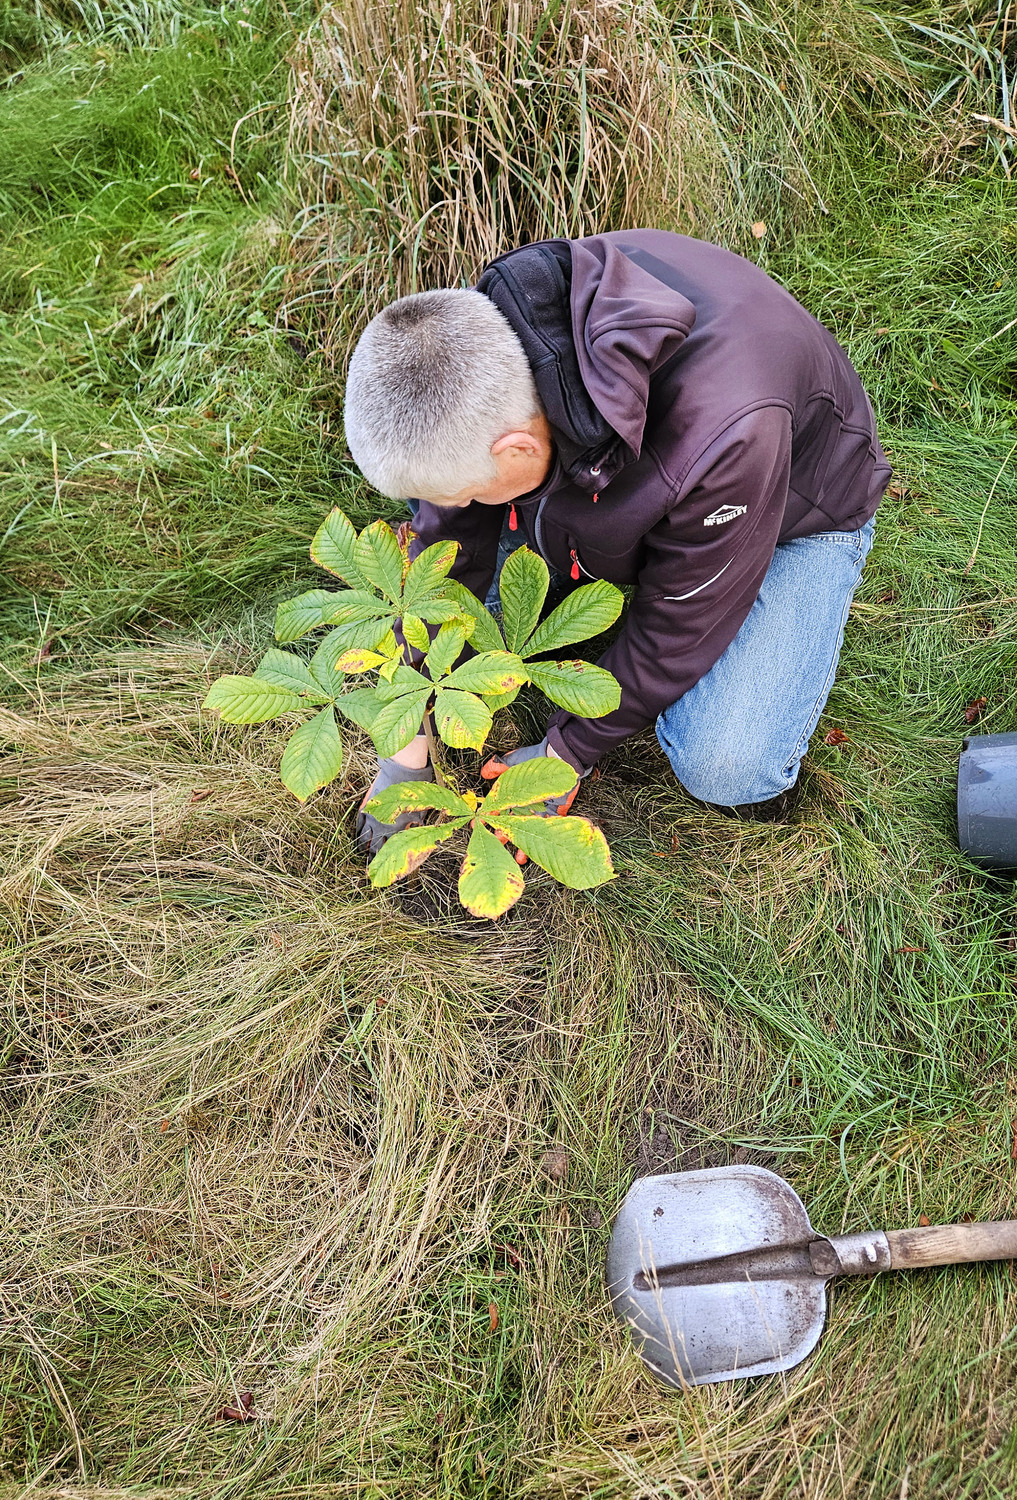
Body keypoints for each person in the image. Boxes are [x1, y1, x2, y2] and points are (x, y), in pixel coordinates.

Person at [342, 230, 890, 854]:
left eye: (466, 494)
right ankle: (580, 531)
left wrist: (564, 751)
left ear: (517, 447)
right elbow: (448, 546)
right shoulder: (481, 340)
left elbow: (679, 624)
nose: (457, 511)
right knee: (472, 610)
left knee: (725, 761)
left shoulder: (729, 435)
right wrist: (407, 741)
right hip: (626, 471)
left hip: (796, 502)